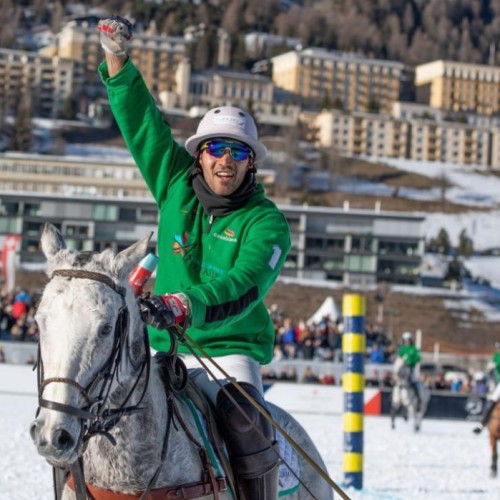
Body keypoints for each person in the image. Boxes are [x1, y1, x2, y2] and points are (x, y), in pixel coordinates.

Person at [97, 16, 291, 499]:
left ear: (250, 162)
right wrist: (116, 59)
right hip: (161, 346)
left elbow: (244, 285)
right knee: (92, 413)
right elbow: (143, 124)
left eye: (238, 152)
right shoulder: (174, 182)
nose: (226, 160)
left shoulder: (266, 222)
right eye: (217, 148)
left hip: (230, 353)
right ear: (200, 154)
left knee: (248, 427)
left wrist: (186, 303)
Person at [473, 342, 500, 434]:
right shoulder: (496, 356)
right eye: (497, 347)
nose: (498, 349)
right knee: (491, 401)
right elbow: (491, 370)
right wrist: (491, 368)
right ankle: (482, 424)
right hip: (498, 383)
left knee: (493, 399)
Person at [397, 331, 422, 409]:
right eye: (405, 340)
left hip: (411, 368)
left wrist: (411, 361)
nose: (407, 341)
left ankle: (418, 399)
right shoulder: (402, 349)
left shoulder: (414, 349)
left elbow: (418, 358)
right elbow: (399, 357)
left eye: (408, 339)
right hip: (402, 368)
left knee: (414, 381)